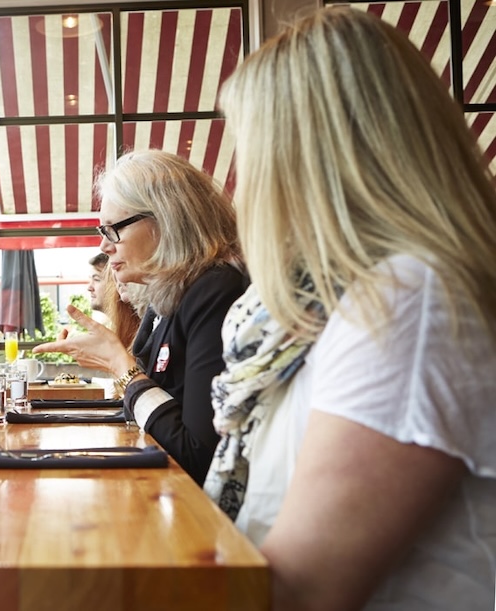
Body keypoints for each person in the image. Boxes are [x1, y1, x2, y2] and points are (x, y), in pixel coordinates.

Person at [204, 8, 496, 610]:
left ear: (303, 159)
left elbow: (302, 589)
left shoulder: (409, 302)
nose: (240, 179)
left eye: (250, 148)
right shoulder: (358, 299)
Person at [33, 150, 247, 485]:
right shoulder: (165, 299)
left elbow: (197, 457)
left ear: (166, 220)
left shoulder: (216, 291)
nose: (104, 246)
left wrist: (122, 367)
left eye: (112, 229)